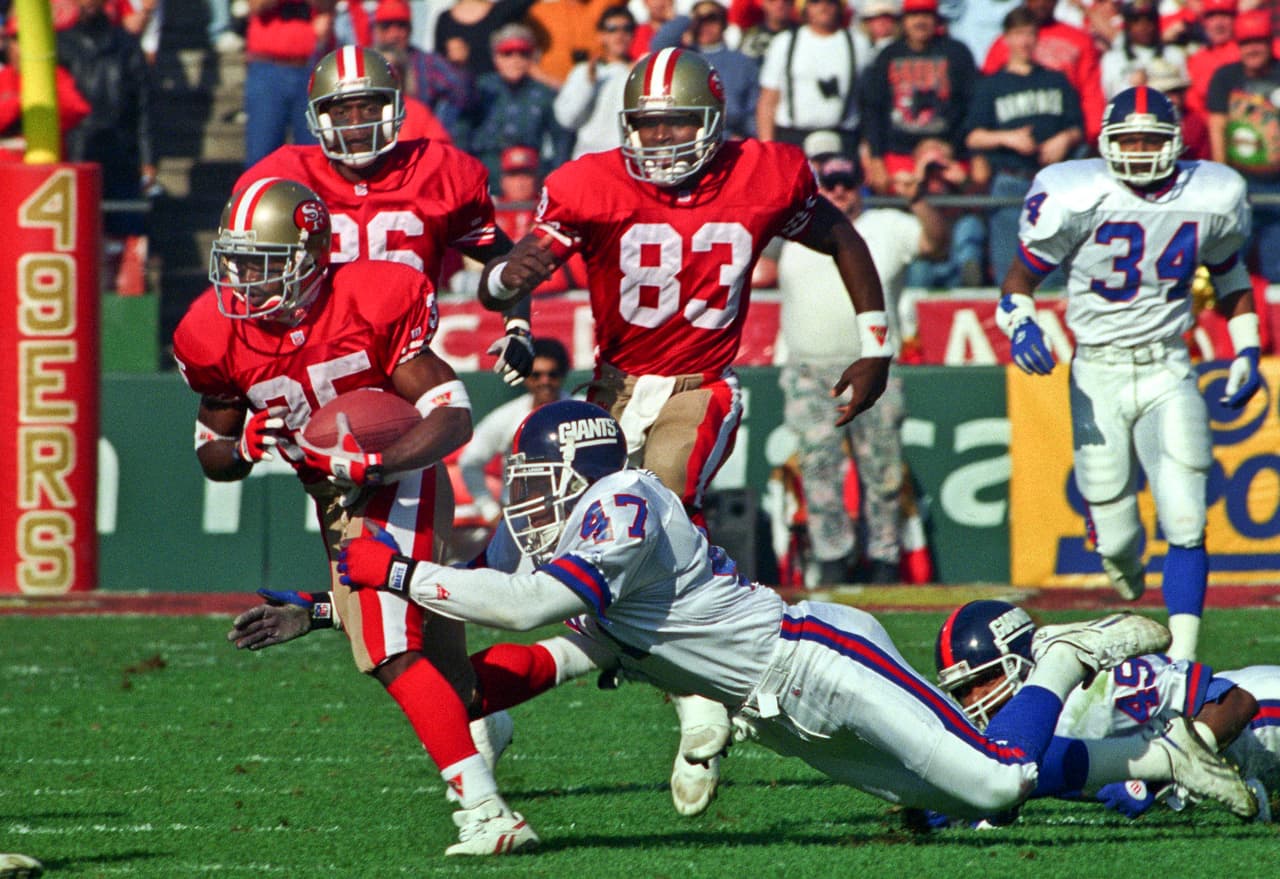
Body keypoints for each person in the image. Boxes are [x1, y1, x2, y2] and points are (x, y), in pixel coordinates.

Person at [335, 400, 1256, 846]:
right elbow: (540, 658)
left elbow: (532, 604)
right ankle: (1155, 758)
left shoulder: (624, 500)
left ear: (580, 471)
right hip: (778, 712)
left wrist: (405, 573)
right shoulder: (603, 558)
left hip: (814, 656)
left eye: (538, 484)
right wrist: (431, 682)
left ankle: (1059, 651)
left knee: (998, 776)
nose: (527, 503)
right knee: (961, 799)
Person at [476, 48, 894, 818]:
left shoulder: (762, 172)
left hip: (699, 386)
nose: (661, 138)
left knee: (652, 515)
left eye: (677, 123)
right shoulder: (589, 182)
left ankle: (698, 698)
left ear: (712, 122)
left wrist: (877, 344)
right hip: (611, 387)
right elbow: (515, 271)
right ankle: (530, 698)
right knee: (546, 544)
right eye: (648, 123)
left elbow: (842, 237)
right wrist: (510, 295)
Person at [177, 178, 537, 856]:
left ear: (311, 258)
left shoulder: (373, 296)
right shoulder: (212, 331)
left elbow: (453, 416)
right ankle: (575, 657)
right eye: (237, 261)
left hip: (398, 477)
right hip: (334, 499)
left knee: (387, 647)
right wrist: (244, 446)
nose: (245, 280)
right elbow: (212, 453)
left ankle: (486, 812)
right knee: (448, 679)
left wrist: (376, 464)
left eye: (263, 262)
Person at [995, 85, 1259, 663]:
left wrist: (1247, 348)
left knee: (1186, 514)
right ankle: (1112, 542)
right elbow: (1018, 280)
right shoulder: (1075, 194)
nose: (1139, 151)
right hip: (1098, 370)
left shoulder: (1211, 193)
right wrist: (1021, 324)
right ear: (1108, 143)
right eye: (1129, 140)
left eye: (1150, 140)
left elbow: (1230, 274)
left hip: (1168, 364)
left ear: (1175, 143)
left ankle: (1182, 660)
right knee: (1118, 542)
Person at [235, 46, 535, 388]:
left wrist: (518, 328)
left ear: (392, 108)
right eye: (342, 111)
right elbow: (249, 280)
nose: (357, 124)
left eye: (368, 108)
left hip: (405, 364)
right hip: (310, 366)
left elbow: (502, 256)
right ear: (320, 117)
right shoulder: (285, 180)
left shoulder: (436, 170)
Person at [774, 131, 947, 585]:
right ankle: (832, 558)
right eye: (827, 182)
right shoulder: (795, 226)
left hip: (874, 366)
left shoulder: (886, 224)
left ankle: (885, 558)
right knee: (817, 467)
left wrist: (919, 200)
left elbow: (936, 245)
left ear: (860, 183)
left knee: (884, 469)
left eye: (846, 181)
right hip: (809, 369)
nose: (838, 190)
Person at [934, 599, 1268, 823]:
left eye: (986, 679)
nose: (974, 699)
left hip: (1267, 721)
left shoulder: (1092, 691)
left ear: (1024, 662)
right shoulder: (1018, 729)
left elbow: (1236, 701)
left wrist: (1163, 775)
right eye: (963, 690)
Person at [965, 5, 1083, 284]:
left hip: (1052, 183)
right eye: (1018, 34)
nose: (1025, 41)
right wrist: (1009, 138)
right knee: (1010, 270)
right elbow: (972, 136)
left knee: (1052, 269)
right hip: (1010, 182)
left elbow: (1078, 127)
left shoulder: (1055, 80)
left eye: (1030, 34)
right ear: (1006, 38)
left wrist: (1064, 139)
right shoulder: (991, 85)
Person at [56, 0, 156, 293]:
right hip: (75, 153)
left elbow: (143, 108)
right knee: (77, 235)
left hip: (119, 154)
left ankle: (126, 302)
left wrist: (148, 159)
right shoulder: (61, 45)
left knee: (126, 234)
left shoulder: (126, 46)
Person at [860, 0, 978, 202]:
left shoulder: (957, 53)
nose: (920, 21)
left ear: (936, 20)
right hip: (899, 154)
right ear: (904, 21)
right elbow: (873, 110)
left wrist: (954, 147)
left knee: (954, 209)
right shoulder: (888, 55)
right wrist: (877, 160)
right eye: (914, 16)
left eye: (926, 15)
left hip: (948, 154)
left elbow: (972, 106)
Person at [460, 338, 572, 525]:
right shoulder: (507, 416)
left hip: (573, 512)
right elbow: (469, 463)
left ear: (563, 374)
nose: (545, 381)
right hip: (520, 516)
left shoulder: (582, 409)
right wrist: (489, 511)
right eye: (536, 375)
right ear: (525, 376)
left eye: (552, 374)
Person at [1206, 9, 1280, 283]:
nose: (1253, 49)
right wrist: (1223, 180)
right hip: (1241, 182)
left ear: (1270, 42)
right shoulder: (1226, 77)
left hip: (1277, 185)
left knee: (1277, 269)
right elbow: (1217, 128)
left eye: (1258, 41)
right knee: (1229, 264)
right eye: (1246, 42)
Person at [458, 23, 573, 191]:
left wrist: (554, 180)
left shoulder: (545, 94)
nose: (515, 60)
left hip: (531, 180)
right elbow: (461, 133)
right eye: (507, 53)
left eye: (523, 53)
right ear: (495, 57)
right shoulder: (479, 89)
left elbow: (562, 139)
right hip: (486, 177)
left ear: (532, 57)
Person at [756, 0, 872, 154]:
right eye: (815, 2)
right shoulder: (784, 42)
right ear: (805, 7)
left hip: (844, 139)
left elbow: (868, 102)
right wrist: (767, 148)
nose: (823, 7)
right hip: (793, 138)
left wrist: (868, 149)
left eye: (830, 2)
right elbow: (768, 100)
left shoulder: (859, 44)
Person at [980, 0, 1104, 143]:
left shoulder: (1079, 40)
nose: (1041, 3)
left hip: (1065, 132)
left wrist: (1092, 137)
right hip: (1013, 136)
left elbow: (1091, 93)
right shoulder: (1002, 44)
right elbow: (986, 99)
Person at [241, 1, 333, 167]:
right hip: (268, 69)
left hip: (311, 69)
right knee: (262, 157)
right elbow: (258, 5)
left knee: (315, 155)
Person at [652, 0, 759, 138]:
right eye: (700, 20)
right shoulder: (682, 57)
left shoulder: (742, 62)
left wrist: (744, 138)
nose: (705, 26)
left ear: (724, 24)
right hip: (683, 135)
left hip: (728, 137)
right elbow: (658, 46)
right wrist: (688, 18)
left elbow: (750, 112)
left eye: (712, 19)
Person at [370, 0, 472, 139]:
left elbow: (464, 97)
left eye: (401, 26)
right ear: (376, 30)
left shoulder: (428, 63)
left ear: (410, 29)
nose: (394, 34)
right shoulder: (364, 61)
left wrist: (460, 66)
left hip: (418, 134)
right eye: (386, 26)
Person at [0, 16, 91, 161]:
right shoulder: (3, 78)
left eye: (31, 39)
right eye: (17, 39)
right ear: (8, 44)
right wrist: (19, 102)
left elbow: (77, 110)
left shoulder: (55, 75)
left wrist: (38, 95)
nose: (25, 46)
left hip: (46, 165)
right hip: (6, 167)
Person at [554, 4, 635, 158]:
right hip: (589, 156)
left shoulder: (640, 71)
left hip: (626, 158)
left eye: (626, 29)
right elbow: (566, 119)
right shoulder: (583, 71)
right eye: (612, 29)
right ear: (601, 35)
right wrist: (588, 83)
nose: (620, 35)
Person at [1099, 0, 1188, 100]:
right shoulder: (1112, 59)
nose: (1144, 27)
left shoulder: (1174, 54)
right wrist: (1131, 86)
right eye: (1136, 22)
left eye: (1149, 20)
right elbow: (1110, 96)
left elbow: (1184, 93)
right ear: (1127, 26)